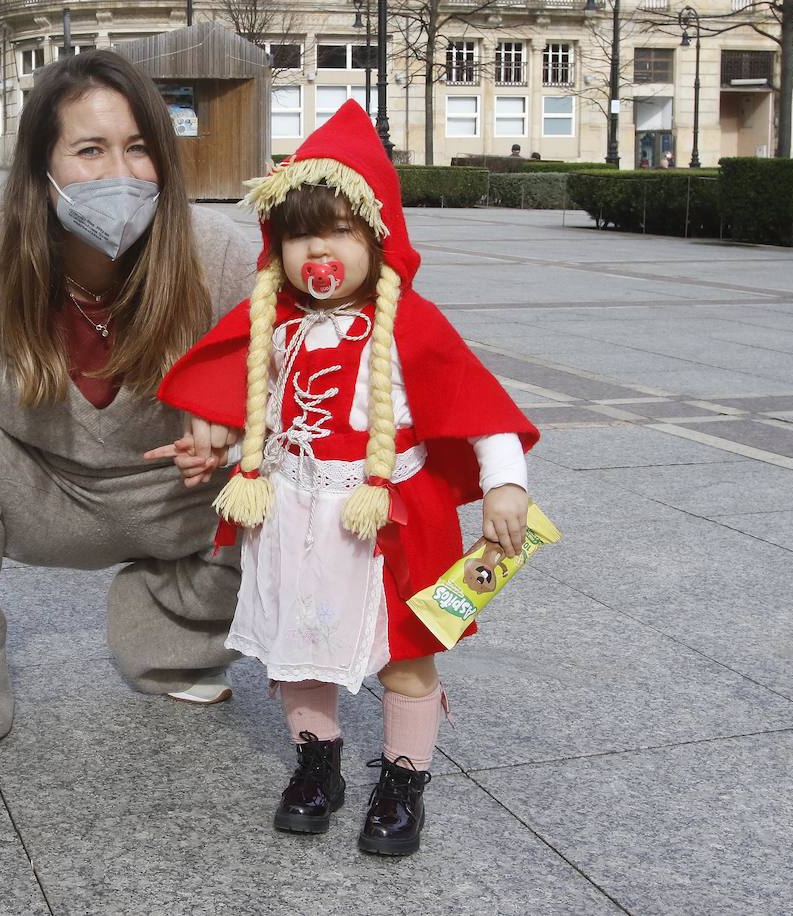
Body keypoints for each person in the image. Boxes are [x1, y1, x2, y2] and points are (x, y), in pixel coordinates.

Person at [154, 100, 539, 856]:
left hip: (387, 519)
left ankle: (402, 784)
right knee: (296, 650)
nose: (315, 250)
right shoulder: (276, 322)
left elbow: (479, 407)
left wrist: (506, 483)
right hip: (294, 512)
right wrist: (219, 442)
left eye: (336, 230)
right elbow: (253, 407)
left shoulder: (412, 324)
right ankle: (316, 765)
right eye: (298, 234)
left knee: (408, 655)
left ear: (376, 236)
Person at [0, 49, 259, 768]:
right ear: (42, 172)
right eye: (90, 150)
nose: (120, 172)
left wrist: (235, 419)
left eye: (139, 148)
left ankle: (175, 634)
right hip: (42, 494)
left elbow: (316, 384)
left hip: (183, 495)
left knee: (320, 465)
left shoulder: (221, 259)